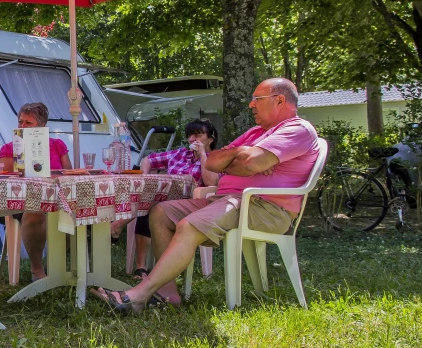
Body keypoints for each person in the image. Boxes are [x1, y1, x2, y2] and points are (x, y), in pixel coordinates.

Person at [91, 78, 320, 313]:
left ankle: (138, 296)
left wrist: (244, 159)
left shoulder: (297, 129)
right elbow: (212, 162)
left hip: (265, 206)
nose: (251, 105)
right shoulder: (255, 133)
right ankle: (168, 293)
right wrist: (242, 153)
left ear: (280, 100)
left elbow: (250, 164)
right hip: (226, 200)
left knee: (189, 225)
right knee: (161, 212)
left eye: (257, 99)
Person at [109, 119, 220, 281]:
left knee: (148, 202)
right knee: (148, 203)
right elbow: (148, 160)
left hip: (191, 204)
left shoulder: (216, 158)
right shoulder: (180, 153)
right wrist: (147, 179)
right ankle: (141, 267)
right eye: (190, 136)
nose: (192, 139)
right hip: (162, 200)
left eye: (197, 135)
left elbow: (211, 183)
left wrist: (203, 154)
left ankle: (117, 226)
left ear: (210, 139)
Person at [0, 102, 72, 281]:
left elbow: (68, 175)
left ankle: (52, 263)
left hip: (54, 199)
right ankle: (37, 268)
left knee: (73, 213)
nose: (22, 126)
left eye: (28, 123)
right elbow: (5, 179)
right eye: (20, 122)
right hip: (20, 200)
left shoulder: (57, 145)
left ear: (42, 127)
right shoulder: (9, 148)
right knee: (34, 211)